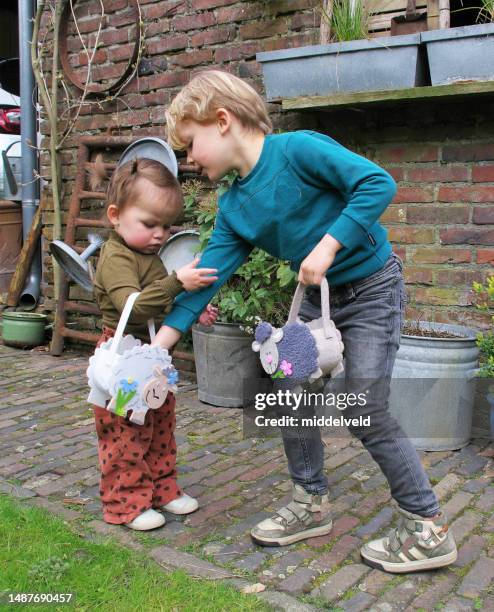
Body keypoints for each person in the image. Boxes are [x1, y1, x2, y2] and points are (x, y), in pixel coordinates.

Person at [152, 70, 457, 572]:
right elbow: (206, 280)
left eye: (189, 145)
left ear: (221, 121)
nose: (189, 161)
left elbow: (376, 183)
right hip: (316, 302)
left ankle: (426, 527)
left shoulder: (298, 150)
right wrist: (157, 348)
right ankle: (310, 503)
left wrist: (329, 244)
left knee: (364, 407)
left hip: (372, 290)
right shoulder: (233, 207)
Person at [91, 157, 218, 530]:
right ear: (116, 215)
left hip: (153, 358)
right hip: (124, 360)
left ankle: (163, 490)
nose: (160, 234)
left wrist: (192, 311)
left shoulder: (148, 254)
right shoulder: (115, 258)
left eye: (166, 225)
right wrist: (178, 281)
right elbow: (134, 306)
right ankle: (125, 503)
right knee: (126, 433)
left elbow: (159, 307)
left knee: (160, 427)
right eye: (150, 224)